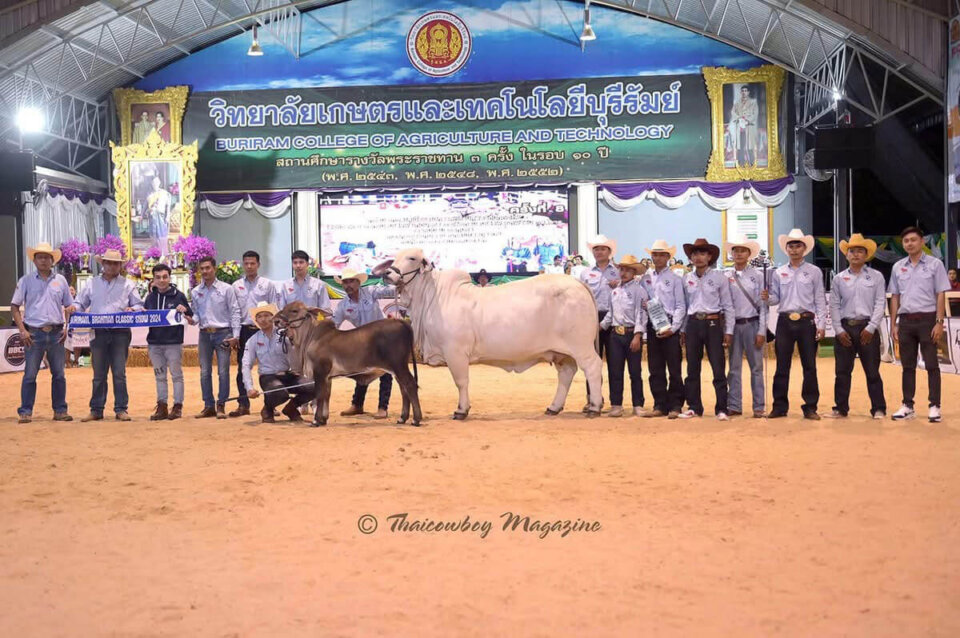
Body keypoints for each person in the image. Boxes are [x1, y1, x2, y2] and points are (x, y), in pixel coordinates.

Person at [71, 249, 144, 421]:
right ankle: (96, 409)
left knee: (119, 372)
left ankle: (121, 409)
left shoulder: (128, 284)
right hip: (98, 332)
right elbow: (80, 303)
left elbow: (139, 305)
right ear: (102, 264)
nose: (112, 266)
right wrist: (74, 309)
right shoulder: (91, 283)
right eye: (108, 262)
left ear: (120, 266)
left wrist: (132, 309)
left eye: (115, 263)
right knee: (98, 374)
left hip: (120, 332)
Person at [888, 226, 951, 423]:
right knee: (907, 366)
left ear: (922, 242)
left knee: (932, 365)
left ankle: (934, 406)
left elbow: (941, 293)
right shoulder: (898, 267)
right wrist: (893, 324)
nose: (909, 244)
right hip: (905, 322)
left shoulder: (935, 264)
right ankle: (908, 405)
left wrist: (939, 322)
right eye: (906, 241)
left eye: (913, 240)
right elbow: (895, 296)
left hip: (928, 320)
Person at [765, 229, 826, 420]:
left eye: (797, 245)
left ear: (804, 248)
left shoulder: (814, 272)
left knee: (810, 366)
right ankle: (779, 406)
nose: (794, 249)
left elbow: (819, 299)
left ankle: (810, 407)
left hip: (807, 321)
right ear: (786, 249)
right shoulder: (779, 273)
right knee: (782, 366)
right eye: (790, 246)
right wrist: (767, 298)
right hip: (785, 321)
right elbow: (775, 300)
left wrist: (822, 324)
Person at [11, 242, 75, 423]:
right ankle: (25, 411)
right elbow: (14, 306)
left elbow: (68, 305)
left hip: (56, 333)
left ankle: (60, 410)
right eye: (40, 257)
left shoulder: (61, 280)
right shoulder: (25, 281)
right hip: (34, 333)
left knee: (59, 374)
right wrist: (22, 330)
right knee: (30, 374)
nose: (44, 260)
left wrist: (66, 327)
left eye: (47, 257)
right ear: (35, 260)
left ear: (52, 260)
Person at [827, 234, 886, 419]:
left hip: (867, 327)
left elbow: (880, 302)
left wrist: (871, 327)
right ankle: (841, 408)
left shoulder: (876, 277)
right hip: (845, 328)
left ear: (866, 255)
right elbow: (834, 305)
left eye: (860, 251)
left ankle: (878, 408)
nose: (856, 254)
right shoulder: (838, 279)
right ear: (846, 255)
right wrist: (838, 330)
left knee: (872, 371)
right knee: (842, 372)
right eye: (852, 251)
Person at [678, 238, 735, 420]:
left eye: (702, 253)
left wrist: (728, 331)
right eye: (695, 254)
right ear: (690, 257)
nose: (698, 257)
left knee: (718, 368)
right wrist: (683, 330)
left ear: (709, 256)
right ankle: (694, 406)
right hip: (693, 323)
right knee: (692, 368)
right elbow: (684, 306)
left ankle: (721, 408)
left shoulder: (720, 278)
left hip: (713, 324)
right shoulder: (686, 279)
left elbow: (728, 305)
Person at [332, 268, 397, 419]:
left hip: (383, 337)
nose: (348, 285)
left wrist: (395, 281)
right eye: (345, 282)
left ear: (358, 282)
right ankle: (357, 404)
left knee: (385, 372)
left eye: (351, 281)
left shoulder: (371, 291)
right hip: (363, 342)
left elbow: (389, 291)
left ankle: (382, 407)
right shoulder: (342, 306)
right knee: (360, 372)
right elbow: (334, 324)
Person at [243, 302, 315, 423]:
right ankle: (268, 408)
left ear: (273, 317)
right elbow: (246, 365)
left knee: (314, 387)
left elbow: (296, 355)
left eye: (266, 315)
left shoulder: (285, 334)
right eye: (260, 316)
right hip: (268, 377)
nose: (263, 319)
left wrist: (293, 341)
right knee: (279, 392)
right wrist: (249, 388)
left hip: (288, 374)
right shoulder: (253, 340)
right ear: (256, 320)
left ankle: (291, 408)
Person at [639, 239, 687, 418]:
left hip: (669, 325)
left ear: (668, 257)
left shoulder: (675, 279)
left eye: (661, 255)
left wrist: (674, 328)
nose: (657, 258)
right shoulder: (645, 279)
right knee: (655, 368)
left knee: (674, 368)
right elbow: (641, 300)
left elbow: (681, 306)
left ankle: (675, 404)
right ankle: (659, 404)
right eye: (655, 254)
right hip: (653, 325)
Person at [722, 234, 767, 418]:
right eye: (736, 250)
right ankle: (734, 405)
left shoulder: (758, 276)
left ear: (749, 254)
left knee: (756, 368)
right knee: (733, 368)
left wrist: (762, 330)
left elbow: (763, 304)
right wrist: (728, 330)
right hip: (734, 326)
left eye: (742, 250)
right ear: (731, 254)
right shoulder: (725, 276)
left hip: (753, 323)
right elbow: (726, 306)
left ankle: (759, 406)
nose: (739, 253)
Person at [230, 250, 278, 418]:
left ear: (258, 264)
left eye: (252, 263)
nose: (249, 266)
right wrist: (236, 335)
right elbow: (235, 312)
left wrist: (275, 330)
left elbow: (274, 308)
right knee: (242, 368)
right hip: (245, 331)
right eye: (246, 263)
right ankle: (243, 404)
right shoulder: (236, 286)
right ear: (243, 265)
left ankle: (273, 403)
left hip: (266, 329)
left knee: (272, 368)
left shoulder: (268, 284)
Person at [192, 256, 241, 419]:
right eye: (202, 269)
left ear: (214, 268)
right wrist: (192, 319)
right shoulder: (195, 291)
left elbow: (234, 311)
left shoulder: (227, 289)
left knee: (223, 371)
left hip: (223, 333)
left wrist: (236, 335)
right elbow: (197, 314)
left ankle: (221, 404)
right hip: (204, 334)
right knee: (204, 372)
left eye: (208, 268)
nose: (205, 271)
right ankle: (208, 405)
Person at [599, 255, 648, 417]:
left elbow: (641, 314)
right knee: (615, 371)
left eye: (628, 270)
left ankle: (638, 404)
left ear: (634, 272)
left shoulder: (639, 291)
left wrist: (637, 335)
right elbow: (610, 314)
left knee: (635, 372)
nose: (624, 273)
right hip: (615, 334)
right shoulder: (615, 291)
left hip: (631, 333)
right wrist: (600, 327)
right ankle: (616, 405)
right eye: (622, 269)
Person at [144, 263, 193, 420]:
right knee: (159, 376)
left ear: (169, 278)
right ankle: (162, 406)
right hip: (154, 343)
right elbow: (145, 317)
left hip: (173, 342)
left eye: (165, 277)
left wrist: (184, 311)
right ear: (154, 279)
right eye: (158, 277)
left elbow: (190, 317)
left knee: (176, 375)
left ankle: (177, 406)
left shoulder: (179, 296)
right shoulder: (150, 298)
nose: (162, 280)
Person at [579, 235, 620, 412]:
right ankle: (592, 398)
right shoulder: (585, 273)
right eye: (596, 249)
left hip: (614, 318)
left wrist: (617, 286)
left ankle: (615, 402)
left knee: (614, 362)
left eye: (603, 248)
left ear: (609, 252)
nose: (599, 252)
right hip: (591, 319)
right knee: (590, 361)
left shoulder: (618, 271)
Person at [280, 250, 332, 314]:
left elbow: (325, 310)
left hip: (313, 322)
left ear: (307, 264)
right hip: (291, 323)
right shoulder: (286, 285)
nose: (298, 265)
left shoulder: (319, 285)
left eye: (301, 262)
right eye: (295, 263)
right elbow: (281, 309)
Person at [729, 85, 759, 166]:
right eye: (742, 91)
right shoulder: (737, 102)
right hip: (740, 128)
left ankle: (752, 164)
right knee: (741, 147)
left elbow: (755, 114)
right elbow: (733, 112)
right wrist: (739, 118)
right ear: (740, 92)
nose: (744, 92)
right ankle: (740, 164)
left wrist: (747, 119)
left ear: (748, 92)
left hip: (749, 127)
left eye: (746, 91)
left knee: (749, 147)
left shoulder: (753, 102)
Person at [146, 176, 170, 252]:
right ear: (151, 184)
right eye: (153, 182)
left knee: (162, 235)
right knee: (153, 236)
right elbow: (145, 205)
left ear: (159, 182)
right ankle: (154, 254)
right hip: (152, 217)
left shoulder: (165, 193)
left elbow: (168, 206)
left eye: (156, 182)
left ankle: (164, 254)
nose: (155, 184)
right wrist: (141, 215)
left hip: (161, 217)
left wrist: (168, 215)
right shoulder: (150, 194)